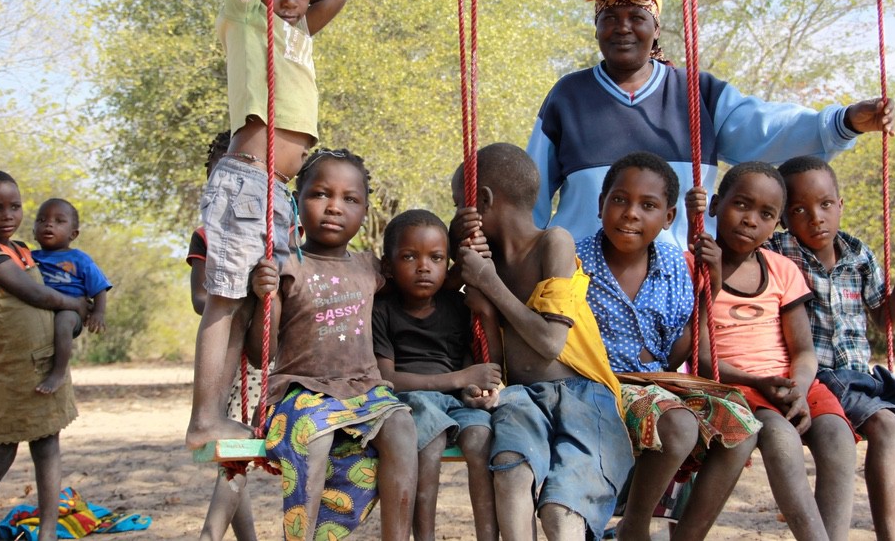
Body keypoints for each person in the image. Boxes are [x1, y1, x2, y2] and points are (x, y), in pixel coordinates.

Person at [526, 0, 895, 250]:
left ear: (656, 29)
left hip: (679, 282)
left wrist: (845, 121)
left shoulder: (696, 92)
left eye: (636, 18)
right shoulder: (568, 96)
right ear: (597, 30)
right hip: (584, 277)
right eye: (610, 19)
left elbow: (766, 128)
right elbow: (532, 196)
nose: (622, 28)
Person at [187, 0, 348, 449]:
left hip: (276, 190)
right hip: (246, 181)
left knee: (257, 305)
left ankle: (236, 407)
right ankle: (204, 417)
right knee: (225, 305)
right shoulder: (248, 18)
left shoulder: (298, 32)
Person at [768, 155, 895, 540]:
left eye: (825, 205)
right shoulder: (779, 252)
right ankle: (889, 536)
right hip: (823, 379)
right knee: (885, 423)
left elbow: (885, 322)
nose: (816, 217)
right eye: (799, 210)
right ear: (784, 218)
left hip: (864, 378)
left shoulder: (859, 255)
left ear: (841, 205)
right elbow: (743, 230)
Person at [452, 142, 632, 540]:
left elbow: (551, 342)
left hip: (585, 396)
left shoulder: (554, 242)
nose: (457, 217)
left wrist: (489, 282)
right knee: (512, 472)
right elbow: (496, 355)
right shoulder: (487, 267)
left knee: (557, 511)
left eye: (457, 206)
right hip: (521, 397)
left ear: (481, 200)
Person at [576, 152, 760, 541]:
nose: (631, 214)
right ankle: (635, 528)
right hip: (597, 383)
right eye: (620, 200)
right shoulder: (576, 261)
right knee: (677, 425)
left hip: (657, 382)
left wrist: (715, 283)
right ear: (601, 205)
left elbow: (678, 349)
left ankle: (689, 535)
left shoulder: (674, 264)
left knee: (740, 424)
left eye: (648, 205)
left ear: (669, 218)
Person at [249, 148, 416, 541]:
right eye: (321, 194)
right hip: (302, 391)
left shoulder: (371, 267)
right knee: (314, 434)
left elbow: (426, 273)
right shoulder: (285, 266)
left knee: (403, 426)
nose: (334, 208)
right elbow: (260, 355)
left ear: (365, 210)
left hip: (364, 391)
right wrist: (265, 297)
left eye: (350, 199)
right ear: (297, 200)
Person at [687, 162, 857, 541]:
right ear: (715, 205)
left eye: (765, 214)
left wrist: (796, 387)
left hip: (785, 381)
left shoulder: (782, 270)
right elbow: (698, 356)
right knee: (781, 436)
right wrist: (759, 381)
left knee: (837, 436)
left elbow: (804, 350)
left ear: (777, 224)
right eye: (741, 206)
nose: (750, 221)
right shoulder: (692, 265)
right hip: (735, 383)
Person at [0, 171, 89, 541]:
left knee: (48, 444)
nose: (7, 215)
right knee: (0, 450)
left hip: (44, 363)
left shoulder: (21, 250)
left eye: (14, 207)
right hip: (13, 370)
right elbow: (37, 296)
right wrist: (74, 304)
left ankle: (48, 531)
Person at [372, 209, 501, 541]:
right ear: (388, 266)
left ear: (448, 265)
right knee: (431, 441)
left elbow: (469, 364)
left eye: (436, 257)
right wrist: (459, 378)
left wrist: (471, 387)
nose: (423, 266)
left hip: (454, 402)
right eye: (409, 256)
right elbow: (390, 379)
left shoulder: (458, 307)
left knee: (480, 439)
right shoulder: (382, 311)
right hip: (409, 401)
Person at [187, 130, 261, 541]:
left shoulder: (280, 230)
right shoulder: (208, 235)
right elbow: (202, 300)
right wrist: (241, 289)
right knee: (235, 456)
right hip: (230, 363)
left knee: (240, 456)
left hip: (270, 355)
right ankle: (212, 534)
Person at [31, 198, 111, 395]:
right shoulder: (30, 257)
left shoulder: (80, 259)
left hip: (71, 311)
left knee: (64, 321)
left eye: (59, 221)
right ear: (33, 231)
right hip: (41, 310)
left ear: (73, 234)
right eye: (41, 220)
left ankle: (58, 373)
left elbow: (99, 287)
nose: (49, 224)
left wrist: (98, 313)